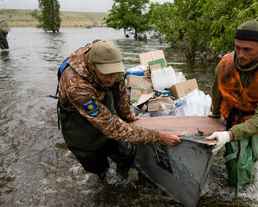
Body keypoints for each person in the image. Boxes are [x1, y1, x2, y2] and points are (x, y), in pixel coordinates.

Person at [57, 40, 183, 182]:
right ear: (92, 66)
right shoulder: (76, 87)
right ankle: (104, 182)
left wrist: (129, 117)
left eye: (114, 73)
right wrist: (158, 136)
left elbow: (120, 94)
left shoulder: (110, 64)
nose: (111, 79)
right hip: (78, 122)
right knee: (97, 166)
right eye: (107, 74)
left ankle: (120, 180)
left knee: (127, 152)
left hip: (102, 108)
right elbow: (111, 127)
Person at [207, 20, 258, 190]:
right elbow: (216, 90)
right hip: (231, 116)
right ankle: (239, 184)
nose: (240, 55)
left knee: (253, 158)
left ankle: (249, 166)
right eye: (237, 48)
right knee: (238, 170)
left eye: (247, 50)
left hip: (255, 120)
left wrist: (229, 135)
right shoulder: (225, 63)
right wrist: (214, 114)